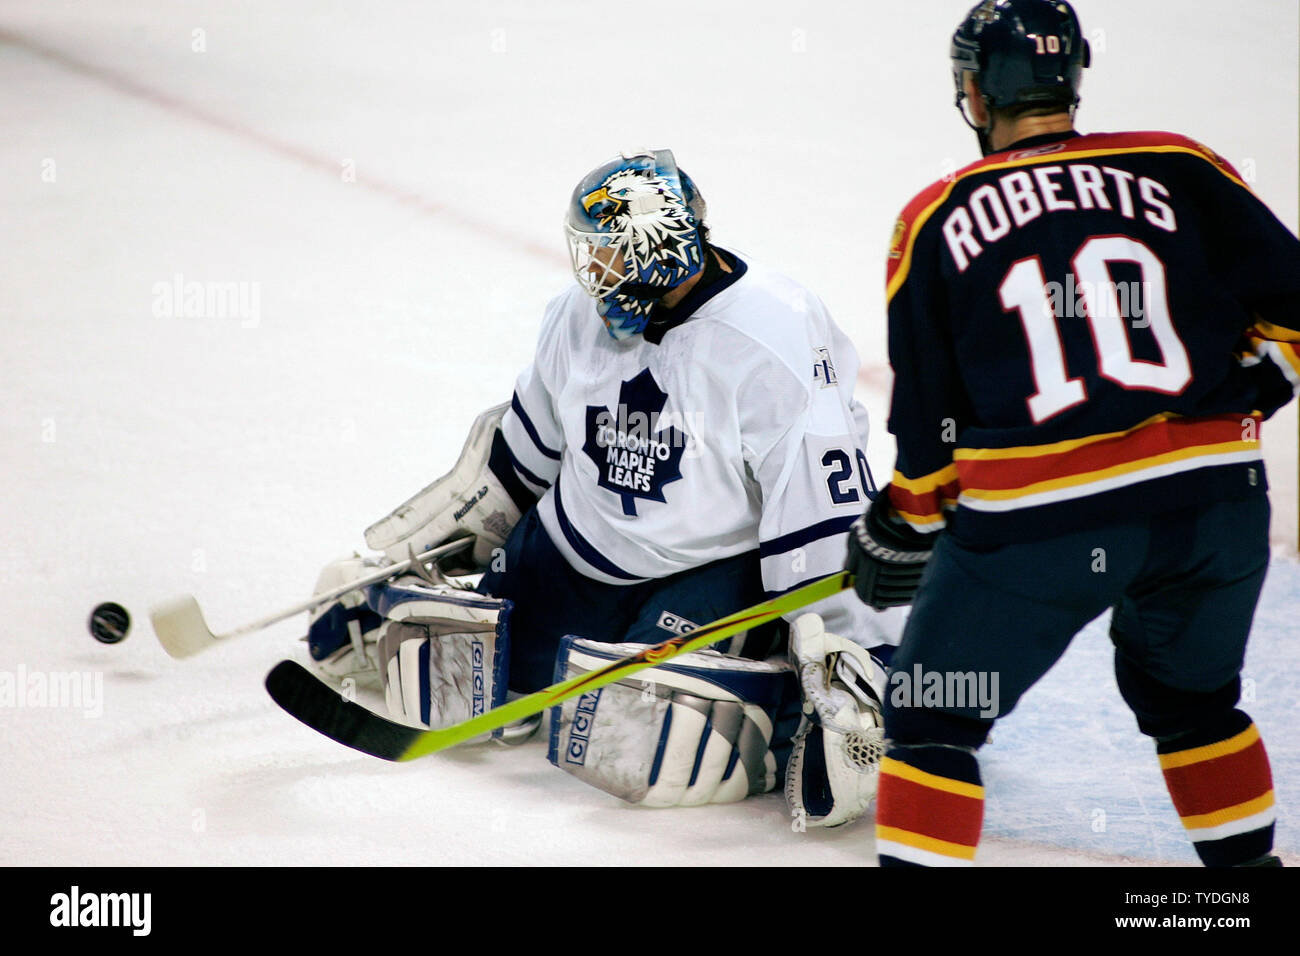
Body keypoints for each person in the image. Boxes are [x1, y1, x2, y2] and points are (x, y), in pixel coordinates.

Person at [309, 149, 901, 822]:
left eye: (611, 256)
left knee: (649, 736)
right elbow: (522, 458)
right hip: (575, 548)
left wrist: (853, 658)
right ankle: (379, 605)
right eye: (590, 253)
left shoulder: (773, 336)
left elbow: (820, 520)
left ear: (659, 254)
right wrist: (427, 556)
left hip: (707, 567)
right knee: (460, 673)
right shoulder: (574, 315)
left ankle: (792, 710)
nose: (594, 272)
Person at [846, 0, 1299, 866]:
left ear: (974, 93)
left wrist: (904, 521)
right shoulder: (1178, 163)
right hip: (1215, 509)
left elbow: (928, 423)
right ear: (1073, 78)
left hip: (1042, 527)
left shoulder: (936, 216)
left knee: (936, 712)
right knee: (1194, 701)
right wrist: (1256, 389)